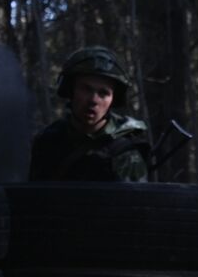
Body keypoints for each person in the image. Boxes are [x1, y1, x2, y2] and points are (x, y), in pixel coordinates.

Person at [28, 46, 149, 182]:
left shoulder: (124, 152)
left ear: (113, 99)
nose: (93, 100)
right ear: (70, 90)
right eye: (86, 89)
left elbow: (134, 202)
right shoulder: (47, 141)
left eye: (103, 93)